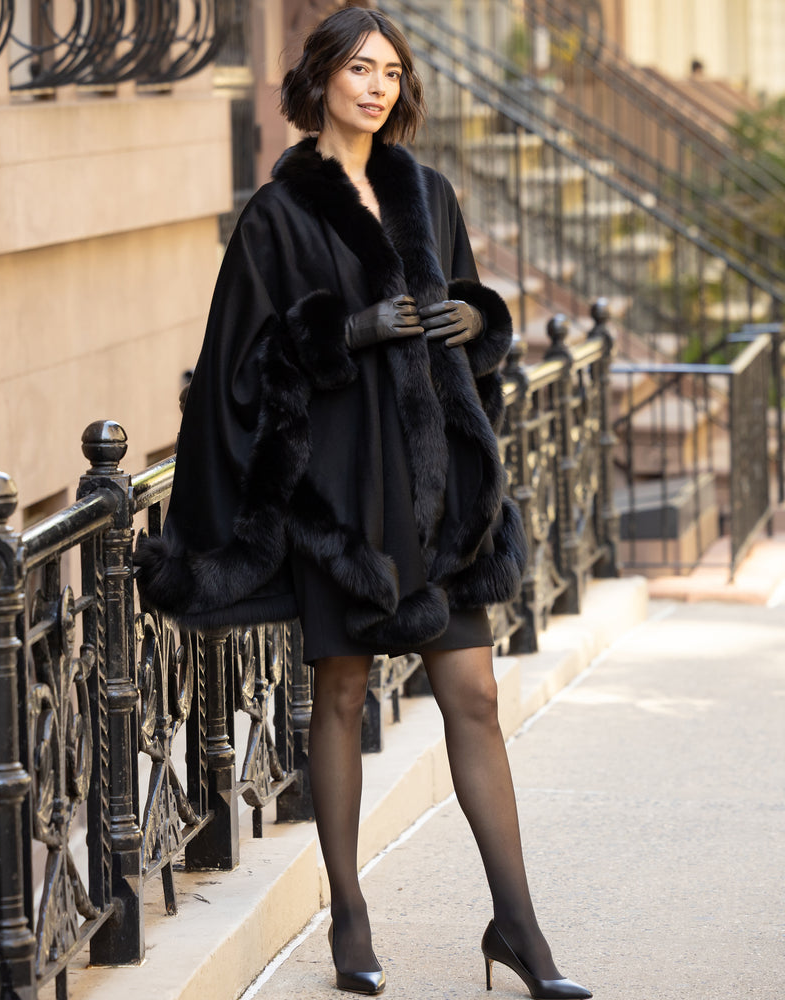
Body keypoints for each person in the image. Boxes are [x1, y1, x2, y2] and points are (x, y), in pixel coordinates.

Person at [136, 7, 592, 998]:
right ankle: (348, 912)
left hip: (431, 498)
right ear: (321, 82)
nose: (376, 86)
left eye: (390, 70)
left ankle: (518, 930)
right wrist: (347, 331)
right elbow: (236, 370)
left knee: (472, 692)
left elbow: (468, 330)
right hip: (340, 499)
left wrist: (477, 314)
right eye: (357, 68)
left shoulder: (427, 192)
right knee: (339, 690)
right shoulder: (276, 214)